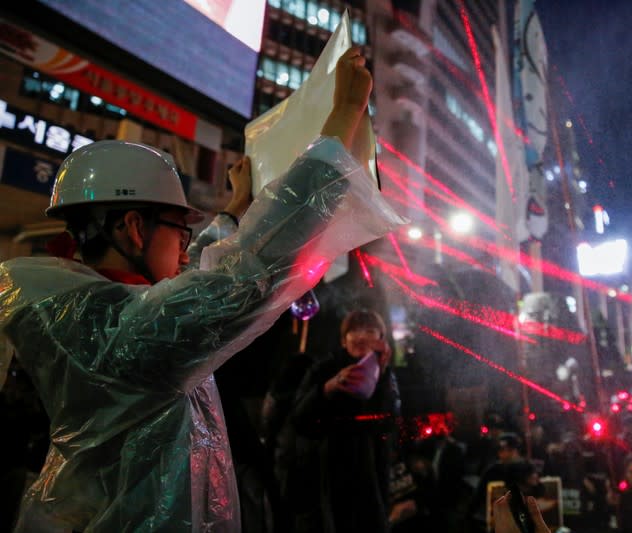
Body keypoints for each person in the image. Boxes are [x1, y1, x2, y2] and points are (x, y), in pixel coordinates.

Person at [0, 46, 404, 532]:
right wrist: (342, 116)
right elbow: (242, 274)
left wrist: (235, 208)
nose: (187, 248)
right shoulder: (133, 337)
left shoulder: (94, 321)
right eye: (179, 230)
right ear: (133, 228)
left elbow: (201, 278)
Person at [290, 309, 401, 533]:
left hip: (371, 469)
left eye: (370, 331)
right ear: (343, 339)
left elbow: (391, 421)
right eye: (354, 331)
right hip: (328, 468)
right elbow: (299, 420)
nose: (361, 336)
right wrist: (328, 388)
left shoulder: (384, 374)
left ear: (381, 340)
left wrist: (382, 373)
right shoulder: (324, 369)